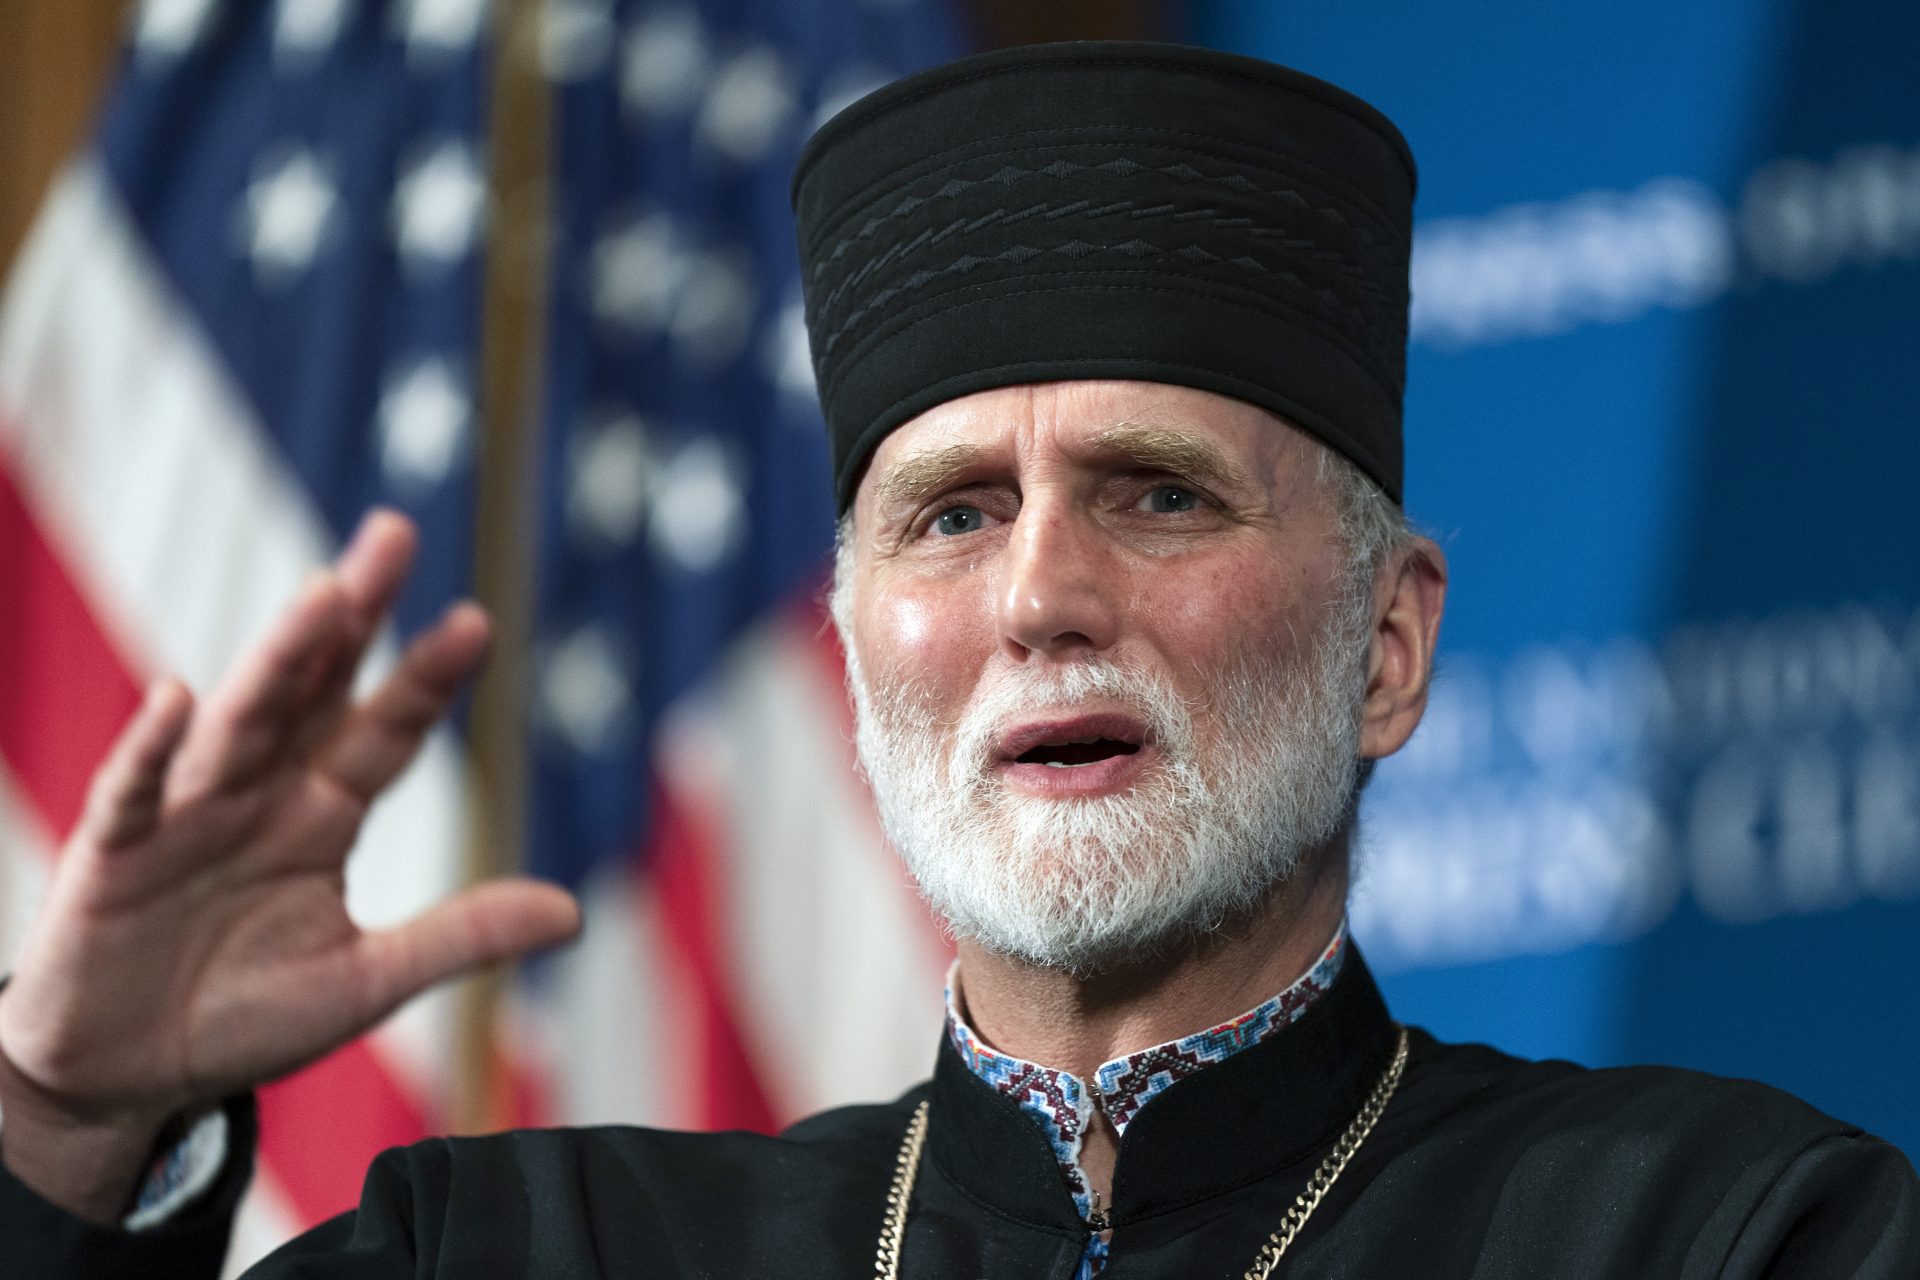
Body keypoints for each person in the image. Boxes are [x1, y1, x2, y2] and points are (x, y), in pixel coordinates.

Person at [2, 41, 1915, 1280]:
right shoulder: (521, 1251)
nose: (1041, 595)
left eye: (1157, 496)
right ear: (852, 661)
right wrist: (65, 1133)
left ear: (1389, 645)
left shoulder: (1732, 1235)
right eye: (949, 513)